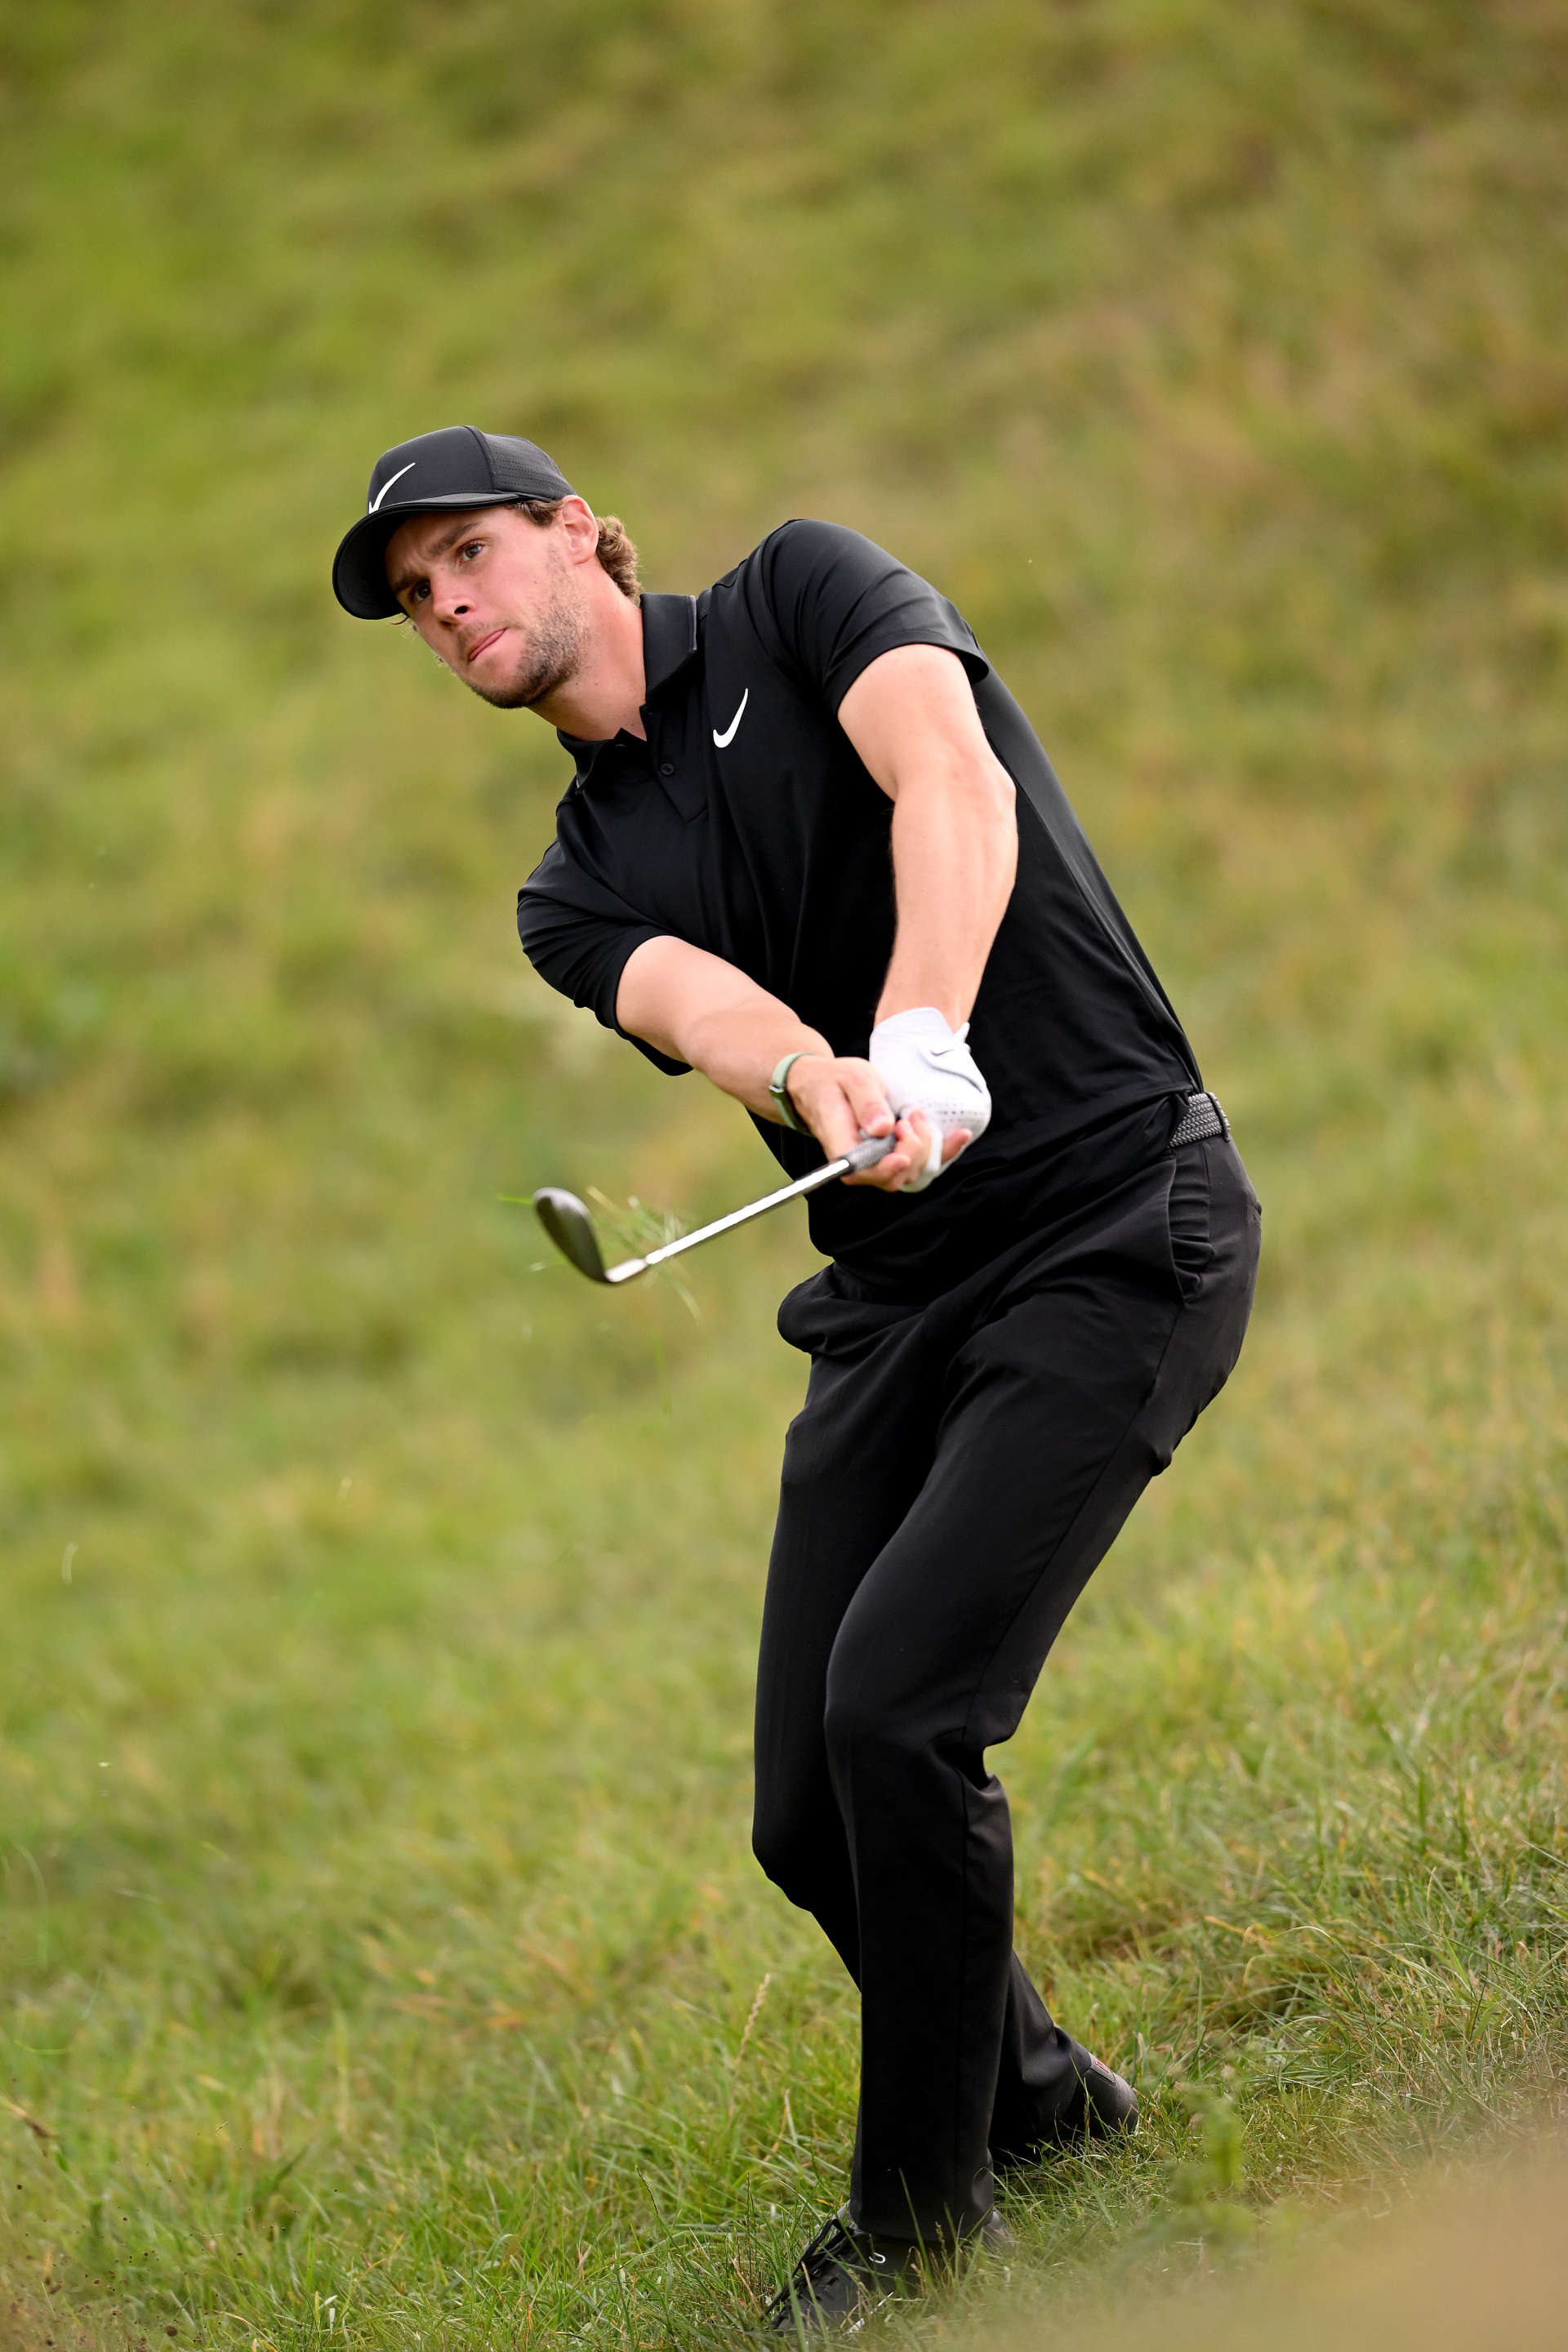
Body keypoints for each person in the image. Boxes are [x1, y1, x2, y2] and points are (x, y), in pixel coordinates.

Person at [332, 426, 1262, 2333]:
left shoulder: (804, 594)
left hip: (1113, 1224)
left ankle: (922, 2232)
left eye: (471, 555)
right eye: (418, 598)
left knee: (900, 1717)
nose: (449, 607)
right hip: (904, 1293)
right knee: (802, 1812)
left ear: (580, 529)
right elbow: (704, 1002)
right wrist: (819, 1082)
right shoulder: (570, 884)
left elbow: (951, 782)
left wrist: (921, 1025)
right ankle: (1044, 2101)